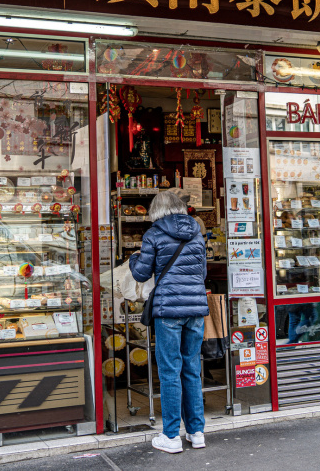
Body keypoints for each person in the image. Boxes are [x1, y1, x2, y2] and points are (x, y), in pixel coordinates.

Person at [129, 191, 208, 454]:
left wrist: (133, 258)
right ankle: (197, 432)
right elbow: (202, 272)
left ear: (156, 210)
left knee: (170, 371)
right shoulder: (196, 232)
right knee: (191, 368)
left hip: (169, 310)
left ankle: (171, 435)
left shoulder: (154, 234)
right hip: (195, 308)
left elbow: (141, 274)